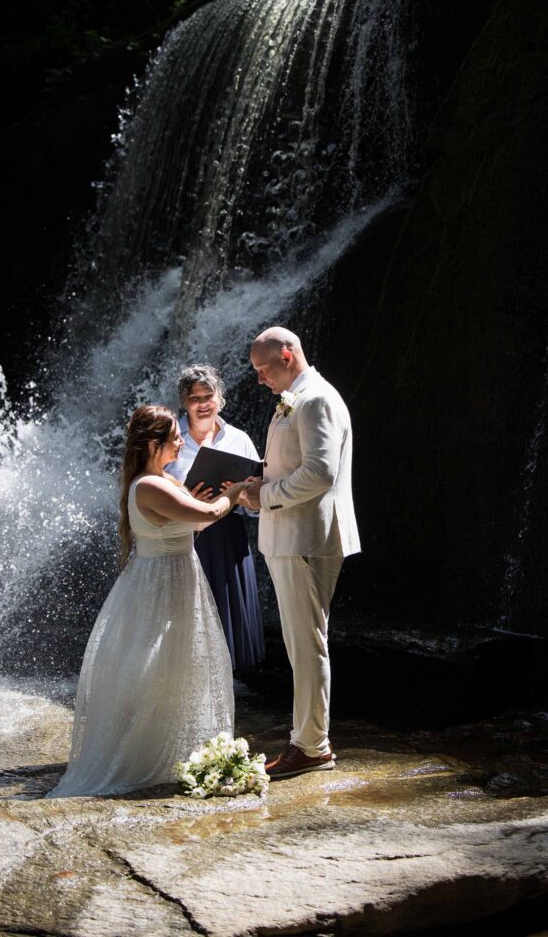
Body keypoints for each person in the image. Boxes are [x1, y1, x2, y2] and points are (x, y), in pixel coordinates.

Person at [48, 405, 249, 798]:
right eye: (175, 434)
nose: (181, 438)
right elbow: (209, 511)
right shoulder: (150, 486)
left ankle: (174, 749)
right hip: (161, 582)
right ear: (155, 443)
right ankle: (143, 757)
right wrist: (236, 493)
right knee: (157, 668)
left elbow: (199, 521)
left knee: (177, 666)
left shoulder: (167, 481)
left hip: (177, 576)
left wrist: (209, 499)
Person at [242, 327, 360, 779]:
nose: (258, 379)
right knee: (300, 642)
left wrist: (265, 496)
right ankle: (308, 739)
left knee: (307, 644)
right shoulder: (299, 396)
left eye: (263, 369)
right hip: (292, 537)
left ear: (287, 355)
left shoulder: (316, 399)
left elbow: (321, 472)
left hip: (306, 539)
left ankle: (311, 745)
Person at [165, 364, 265, 671]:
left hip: (229, 539)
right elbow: (153, 491)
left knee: (227, 617)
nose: (203, 403)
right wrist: (187, 499)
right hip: (187, 539)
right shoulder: (171, 438)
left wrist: (245, 496)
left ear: (220, 398)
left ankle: (227, 686)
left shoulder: (239, 439)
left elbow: (256, 506)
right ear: (184, 402)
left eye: (209, 396)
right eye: (195, 398)